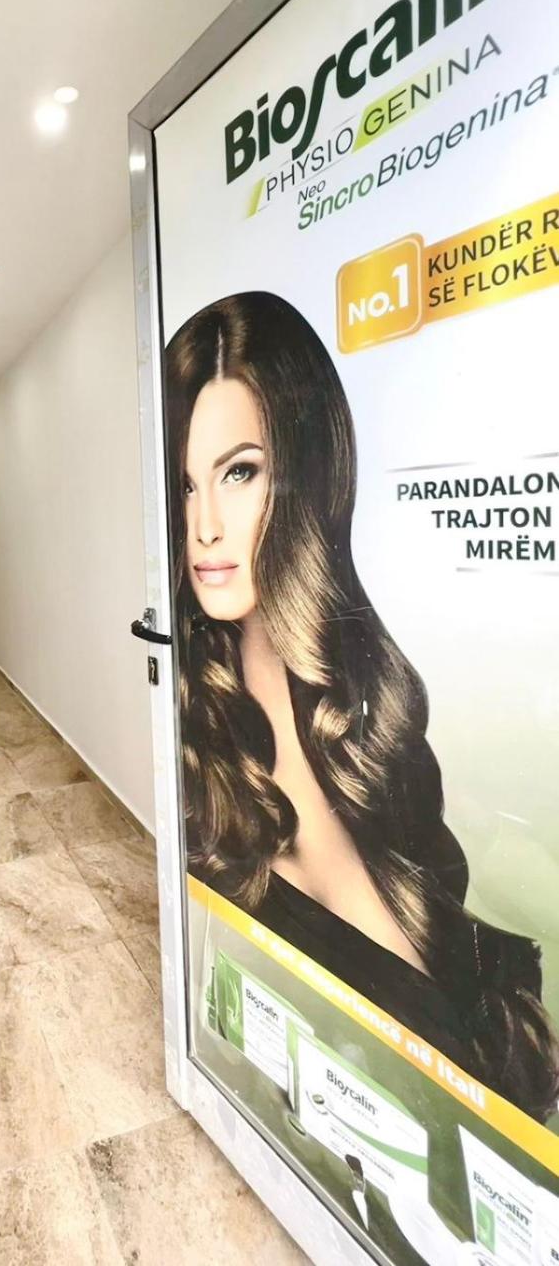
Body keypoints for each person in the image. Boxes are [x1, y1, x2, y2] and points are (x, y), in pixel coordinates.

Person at [165, 291, 559, 1123]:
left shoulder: (364, 735)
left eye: (240, 472)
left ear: (307, 475)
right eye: (186, 484)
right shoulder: (201, 749)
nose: (204, 525)